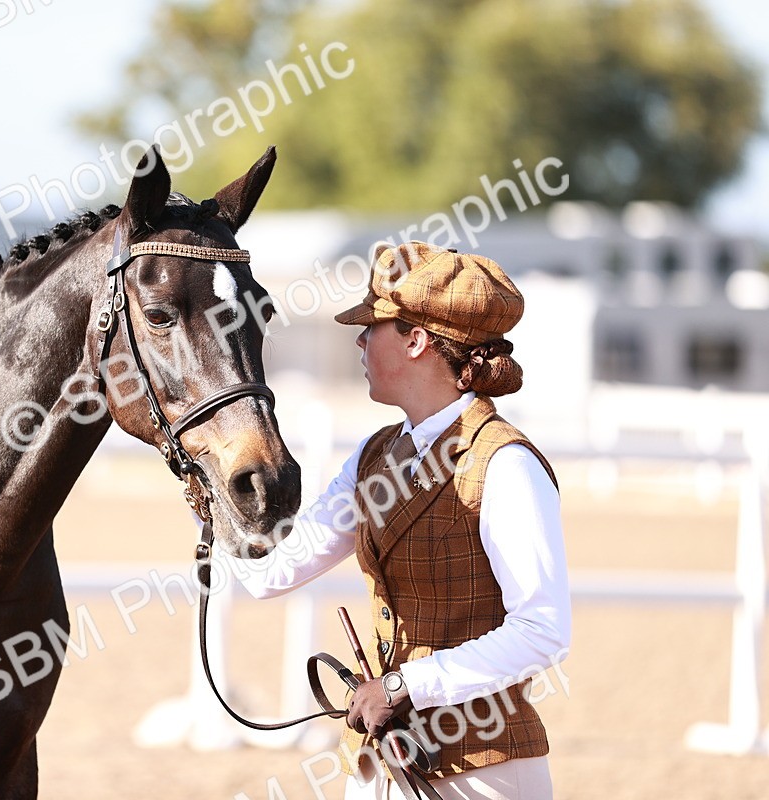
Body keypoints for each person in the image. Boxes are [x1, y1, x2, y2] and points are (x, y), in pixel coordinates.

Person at [230, 242, 570, 800]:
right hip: (379, 763)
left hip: (481, 769)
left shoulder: (506, 464)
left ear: (417, 340)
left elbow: (544, 632)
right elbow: (271, 574)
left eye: (375, 327)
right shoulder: (373, 456)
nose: (360, 339)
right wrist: (214, 488)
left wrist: (404, 684)